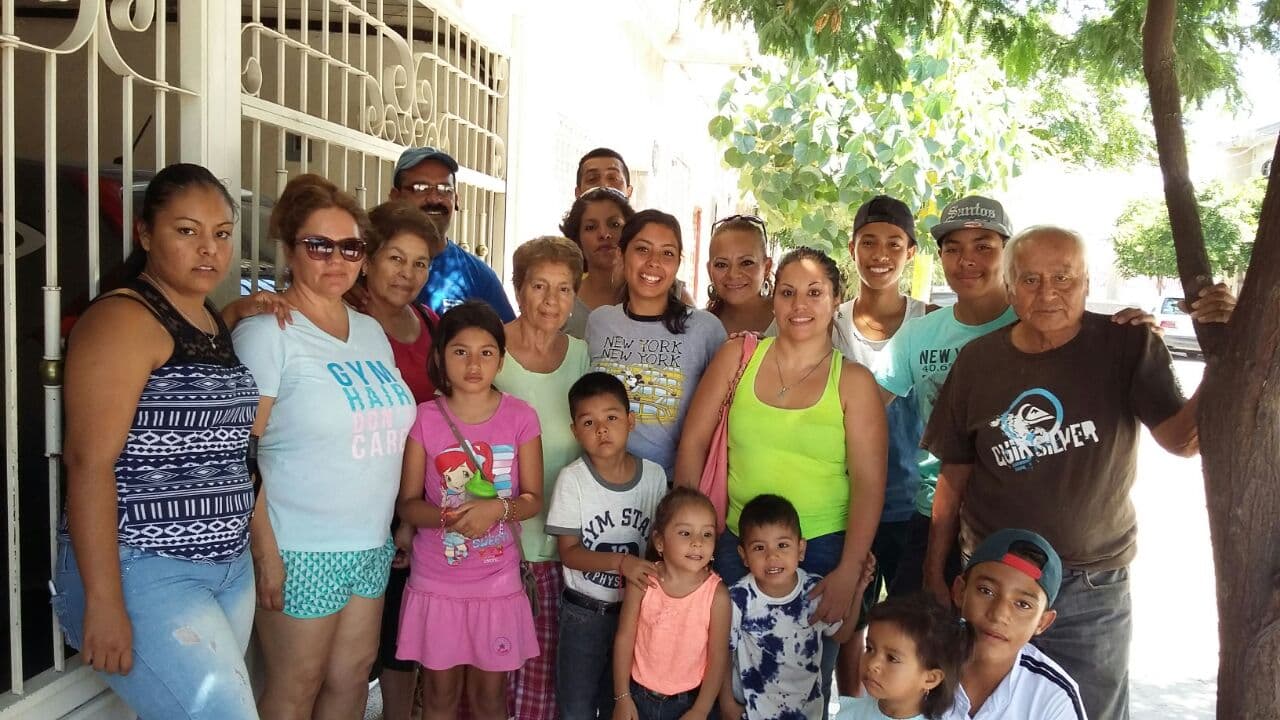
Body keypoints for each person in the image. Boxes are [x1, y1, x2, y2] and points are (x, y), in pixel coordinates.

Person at [921, 226, 1235, 720]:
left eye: (1064, 278)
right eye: (1030, 280)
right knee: (980, 709)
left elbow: (1182, 441)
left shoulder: (1125, 346)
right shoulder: (978, 362)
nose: (1048, 293)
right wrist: (934, 571)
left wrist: (1226, 355)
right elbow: (953, 477)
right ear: (1010, 288)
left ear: (1088, 283)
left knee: (1093, 712)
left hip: (1091, 589)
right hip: (994, 584)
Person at [53, 163, 260, 719]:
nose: (208, 250)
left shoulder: (208, 317)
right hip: (145, 569)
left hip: (226, 566)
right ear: (146, 233)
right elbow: (88, 462)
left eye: (220, 234)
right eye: (186, 230)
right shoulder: (124, 318)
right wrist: (103, 600)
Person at [233, 174, 417, 719]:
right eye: (319, 245)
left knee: (352, 679)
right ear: (289, 249)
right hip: (297, 546)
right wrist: (265, 553)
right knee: (297, 685)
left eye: (350, 247)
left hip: (367, 544)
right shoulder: (268, 333)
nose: (336, 259)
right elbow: (238, 454)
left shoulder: (369, 331)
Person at [675, 247, 887, 711]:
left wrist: (849, 571)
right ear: (774, 299)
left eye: (815, 293)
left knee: (802, 688)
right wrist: (693, 538)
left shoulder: (852, 382)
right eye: (788, 292)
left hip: (822, 553)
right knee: (723, 684)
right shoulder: (739, 357)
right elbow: (692, 444)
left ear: (836, 301)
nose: (800, 305)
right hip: (735, 545)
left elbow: (870, 483)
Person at [395, 301, 544, 720]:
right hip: (437, 583)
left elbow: (533, 499)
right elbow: (408, 503)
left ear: (500, 358)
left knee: (488, 698)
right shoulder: (424, 419)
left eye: (486, 352)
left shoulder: (521, 417)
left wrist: (496, 508)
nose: (474, 364)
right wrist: (453, 518)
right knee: (440, 696)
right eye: (460, 351)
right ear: (441, 356)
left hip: (497, 584)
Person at [494, 236, 593, 720]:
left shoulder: (582, 356)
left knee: (542, 681)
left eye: (564, 289)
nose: (552, 301)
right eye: (539, 286)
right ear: (518, 289)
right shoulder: (490, 348)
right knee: (490, 677)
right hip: (494, 541)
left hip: (558, 544)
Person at [834, 195, 930, 691]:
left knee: (911, 634)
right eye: (868, 242)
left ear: (910, 252)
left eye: (893, 243)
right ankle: (849, 706)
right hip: (843, 503)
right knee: (850, 627)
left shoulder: (931, 323)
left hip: (913, 505)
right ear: (852, 248)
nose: (880, 254)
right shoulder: (827, 321)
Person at [546, 372, 667, 720]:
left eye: (611, 418)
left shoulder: (655, 476)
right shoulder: (573, 479)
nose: (601, 429)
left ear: (630, 421)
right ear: (574, 431)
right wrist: (621, 564)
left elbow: (659, 545)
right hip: (585, 614)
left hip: (637, 614)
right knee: (578, 706)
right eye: (589, 422)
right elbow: (568, 553)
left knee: (625, 703)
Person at [363, 200, 442, 720]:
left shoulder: (431, 322)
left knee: (401, 634)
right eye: (396, 258)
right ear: (368, 258)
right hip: (361, 494)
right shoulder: (344, 320)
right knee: (349, 647)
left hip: (415, 502)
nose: (407, 274)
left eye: (420, 263)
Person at [586, 209, 728, 481]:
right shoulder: (599, 322)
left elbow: (722, 417)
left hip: (671, 485)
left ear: (677, 264)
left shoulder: (705, 329)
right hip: (600, 483)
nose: (654, 263)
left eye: (667, 253)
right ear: (621, 254)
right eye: (642, 249)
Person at [722, 494, 867, 720]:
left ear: (800, 549)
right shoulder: (738, 598)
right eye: (759, 547)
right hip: (752, 713)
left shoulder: (814, 590)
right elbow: (723, 653)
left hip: (806, 713)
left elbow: (842, 634)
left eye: (782, 545)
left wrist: (857, 592)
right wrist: (727, 703)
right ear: (744, 555)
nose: (773, 556)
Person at [612, 488, 731, 720]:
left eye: (707, 534)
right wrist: (622, 697)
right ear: (660, 541)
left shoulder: (717, 595)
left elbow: (718, 658)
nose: (697, 543)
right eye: (685, 533)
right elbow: (624, 638)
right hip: (637, 698)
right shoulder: (642, 581)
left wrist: (700, 710)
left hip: (689, 704)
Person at [941, 529, 1085, 720]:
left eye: (1023, 604)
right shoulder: (914, 657)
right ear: (960, 591)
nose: (999, 614)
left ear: (1042, 622)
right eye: (986, 591)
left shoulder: (1054, 697)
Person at [388, 145, 515, 320]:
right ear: (395, 197)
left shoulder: (479, 278)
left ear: (456, 199)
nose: (434, 198)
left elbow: (508, 340)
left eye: (445, 189)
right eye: (421, 187)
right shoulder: (368, 264)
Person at [843, 594, 971, 720]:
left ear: (930, 679)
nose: (872, 664)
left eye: (892, 658)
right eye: (869, 648)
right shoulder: (844, 713)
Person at [561, 187, 637, 338]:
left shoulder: (667, 293)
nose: (604, 234)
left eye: (614, 224)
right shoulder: (561, 302)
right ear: (577, 240)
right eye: (591, 227)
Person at [705, 214, 774, 335]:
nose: (733, 274)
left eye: (746, 263)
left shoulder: (792, 319)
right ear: (709, 270)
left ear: (767, 267)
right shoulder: (697, 327)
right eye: (721, 264)